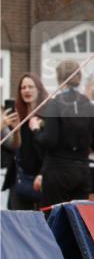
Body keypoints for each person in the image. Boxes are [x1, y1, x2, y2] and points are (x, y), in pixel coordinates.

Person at [36, 60, 94, 207]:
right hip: (82, 171)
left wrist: (36, 130)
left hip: (58, 171)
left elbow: (50, 140)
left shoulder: (55, 104)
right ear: (78, 78)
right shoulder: (90, 106)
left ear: (59, 78)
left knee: (53, 220)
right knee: (76, 220)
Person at [4, 73, 48, 210]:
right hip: (20, 177)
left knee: (43, 222)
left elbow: (50, 148)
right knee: (17, 224)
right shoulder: (19, 115)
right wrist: (15, 130)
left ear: (38, 89)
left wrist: (42, 173)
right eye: (23, 87)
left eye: (30, 87)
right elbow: (16, 146)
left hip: (42, 176)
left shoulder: (48, 115)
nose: (26, 90)